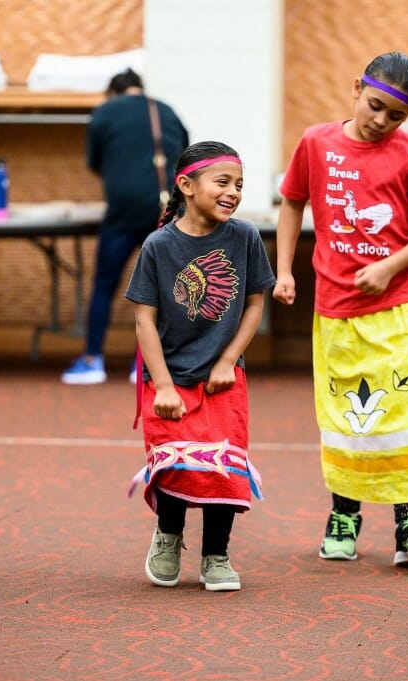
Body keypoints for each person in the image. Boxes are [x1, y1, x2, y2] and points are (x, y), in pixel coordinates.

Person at [274, 52, 408, 568]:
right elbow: (292, 202)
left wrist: (389, 268)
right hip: (336, 307)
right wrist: (285, 271)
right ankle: (344, 516)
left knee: (405, 410)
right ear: (357, 88)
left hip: (401, 305)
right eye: (375, 106)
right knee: (345, 415)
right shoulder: (316, 142)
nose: (381, 121)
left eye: (395, 116)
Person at [125, 140, 275, 591]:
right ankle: (169, 536)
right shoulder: (158, 246)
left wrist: (229, 359)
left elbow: (254, 304)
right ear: (187, 185)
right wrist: (165, 385)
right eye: (223, 182)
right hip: (169, 377)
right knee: (175, 462)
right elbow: (143, 320)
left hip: (222, 378)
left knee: (223, 467)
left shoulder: (245, 237)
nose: (233, 192)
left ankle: (216, 555)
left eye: (240, 185)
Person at [62, 68, 189, 385]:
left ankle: (93, 359)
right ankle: (146, 365)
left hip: (122, 212)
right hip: (166, 211)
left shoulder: (105, 112)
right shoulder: (166, 111)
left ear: (114, 92)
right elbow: (186, 155)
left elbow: (95, 162)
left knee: (105, 284)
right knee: (162, 290)